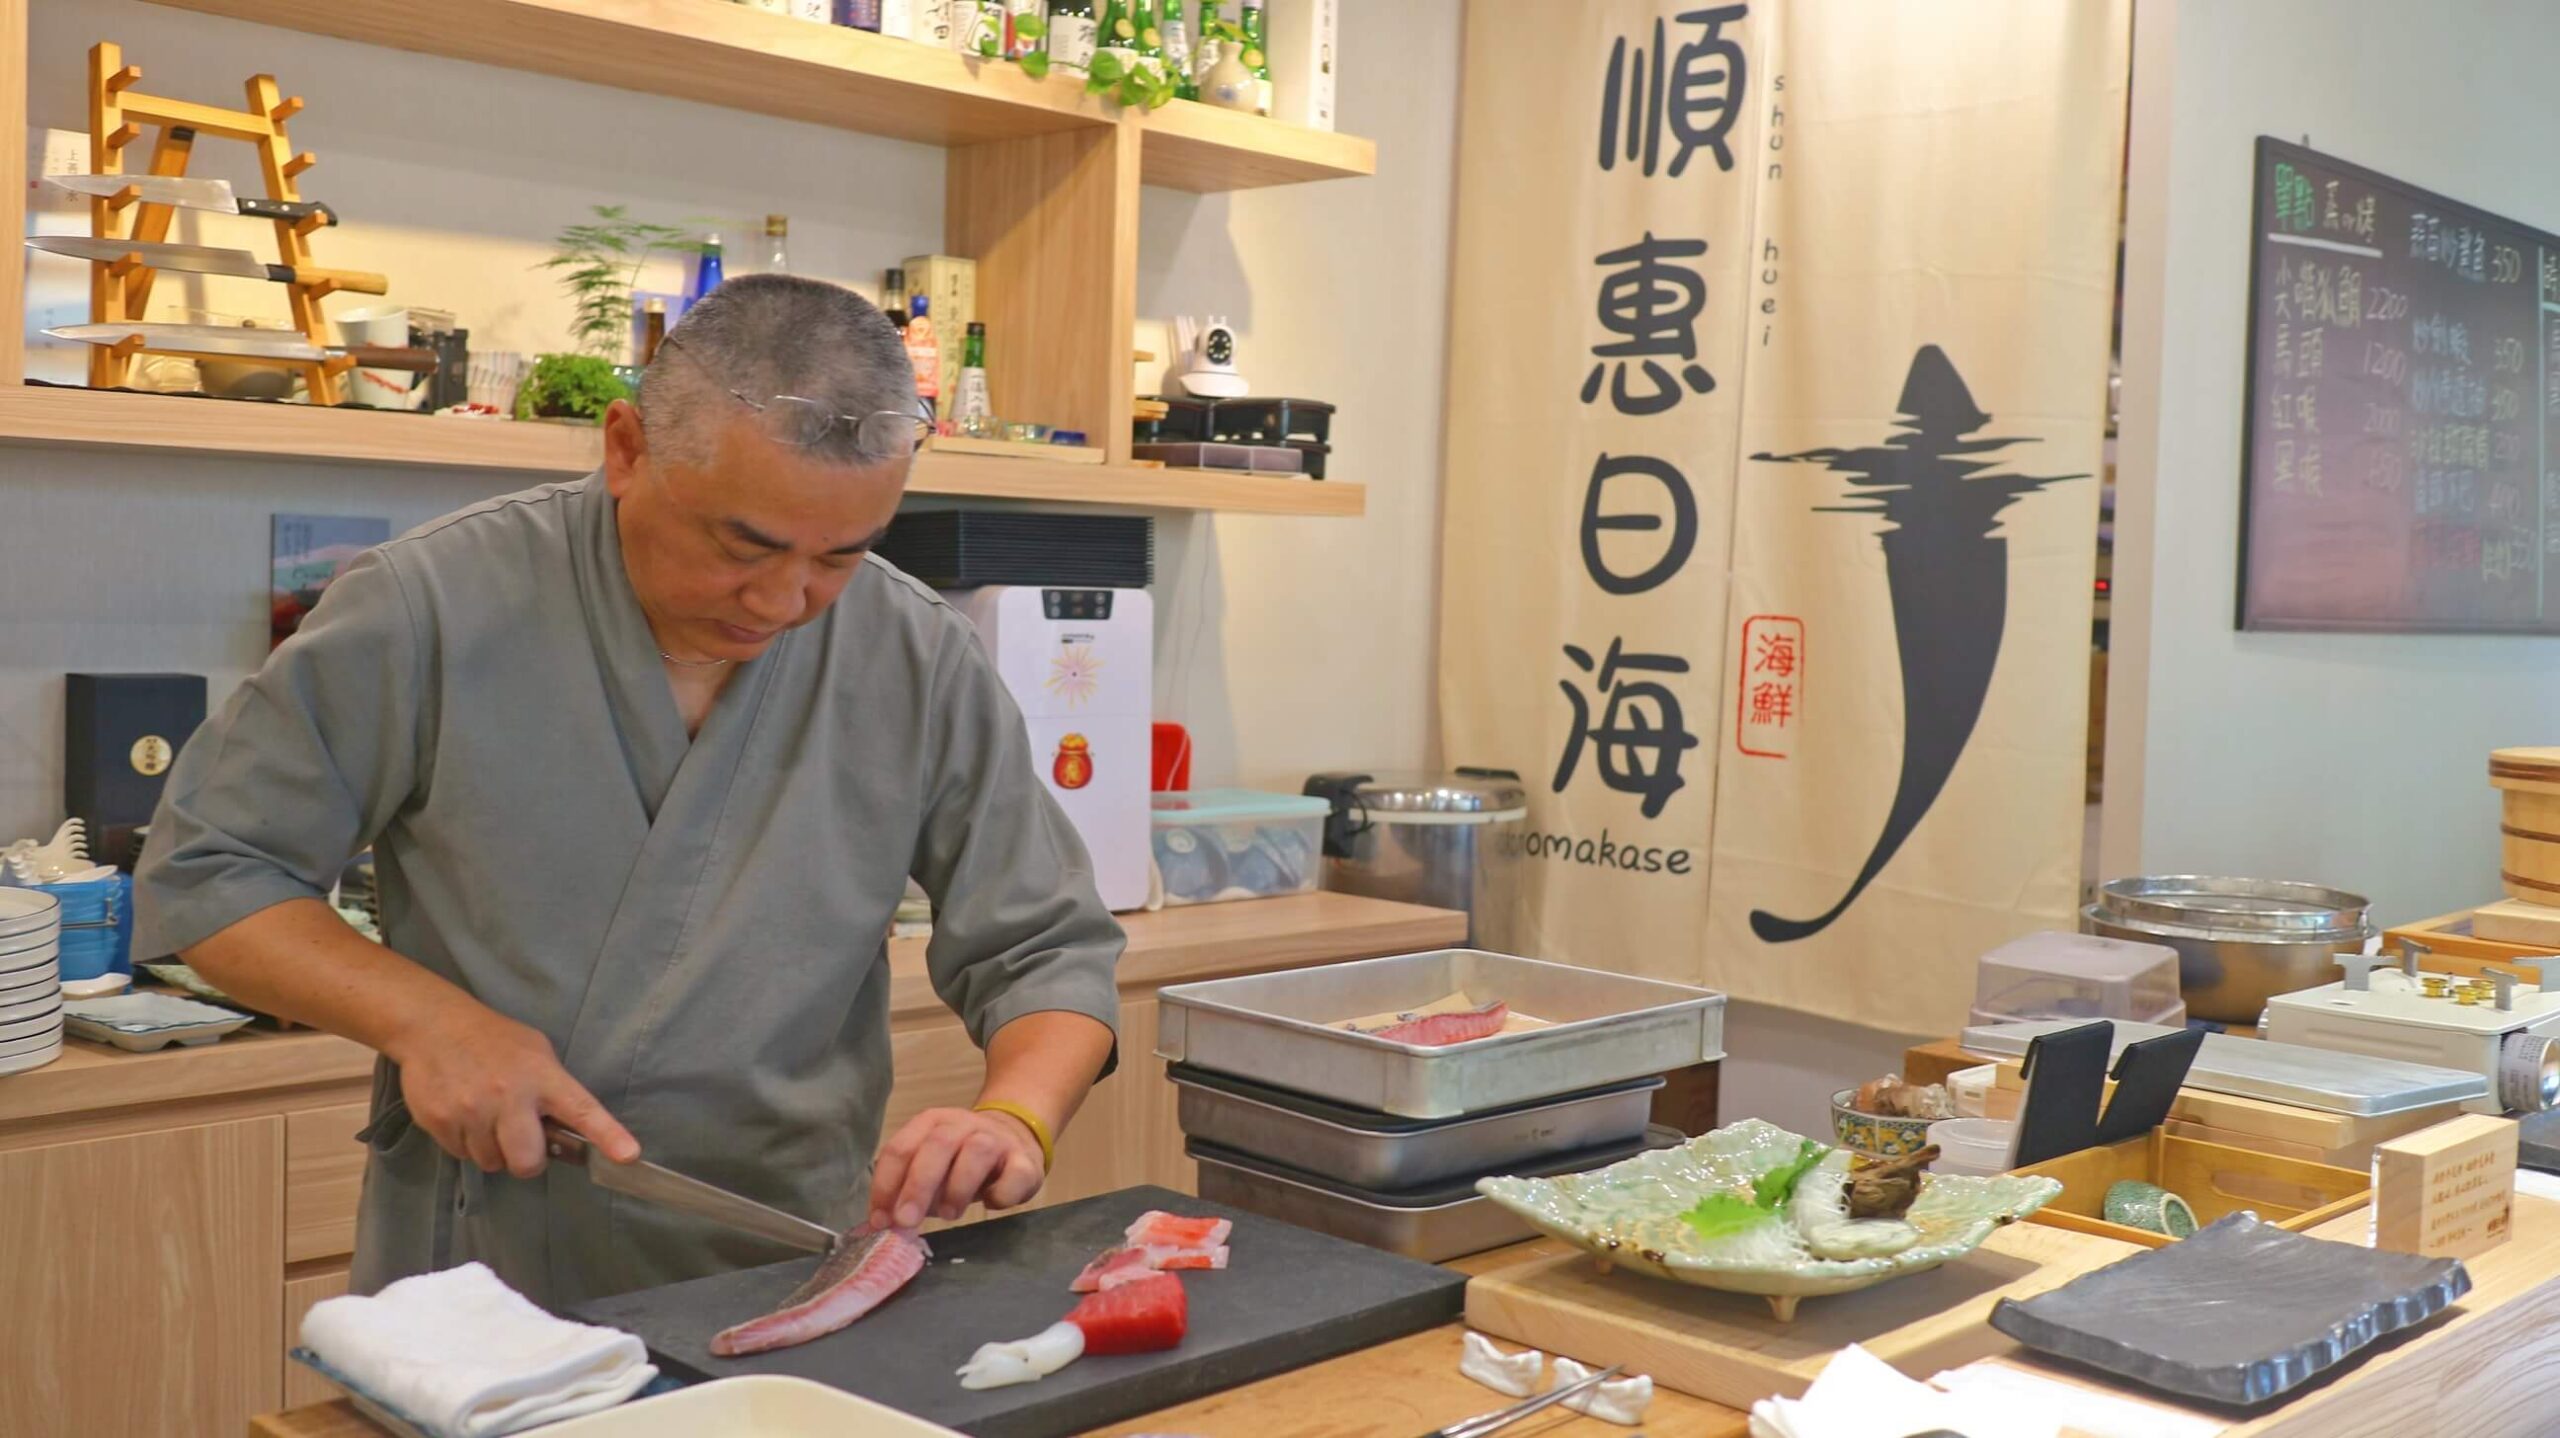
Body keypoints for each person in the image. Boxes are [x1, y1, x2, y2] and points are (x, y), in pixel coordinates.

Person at [133, 275, 1123, 1307]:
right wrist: (427, 1021)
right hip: (483, 1265)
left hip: (789, 1255)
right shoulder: (429, 604)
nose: (786, 602)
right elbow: (216, 870)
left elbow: (1046, 944)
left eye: (841, 556)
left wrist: (1014, 1113)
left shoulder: (915, 651)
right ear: (625, 449)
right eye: (743, 545)